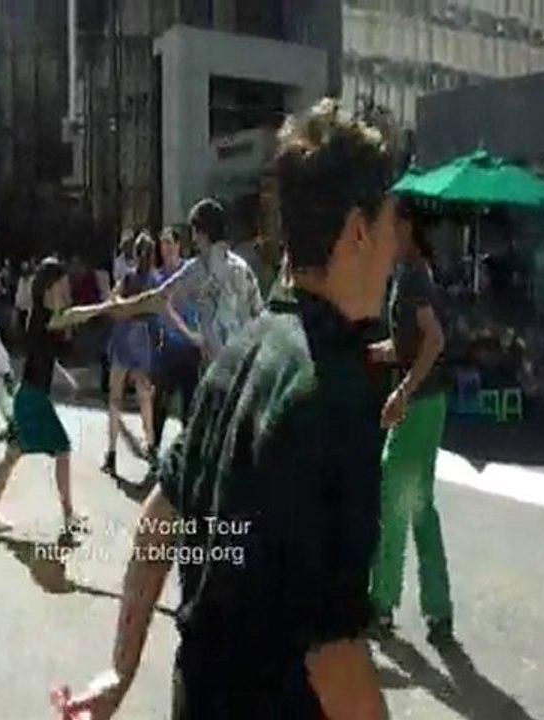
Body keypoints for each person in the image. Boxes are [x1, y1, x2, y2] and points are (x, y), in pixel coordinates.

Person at [56, 98, 395, 719]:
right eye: (393, 223)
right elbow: (333, 650)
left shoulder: (241, 352)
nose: (398, 247)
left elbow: (160, 511)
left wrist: (120, 670)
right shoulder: (336, 390)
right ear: (358, 231)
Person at [367, 202, 453, 645]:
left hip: (419, 404)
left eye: (389, 222)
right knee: (421, 506)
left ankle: (381, 603)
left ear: (405, 226)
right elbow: (411, 341)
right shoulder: (414, 271)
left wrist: (401, 392)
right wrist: (379, 353)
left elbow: (434, 339)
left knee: (393, 500)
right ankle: (439, 610)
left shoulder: (414, 275)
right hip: (430, 401)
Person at [52, 198, 263, 365]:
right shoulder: (242, 268)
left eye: (194, 233)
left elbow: (154, 300)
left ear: (201, 233)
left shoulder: (198, 270)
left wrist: (92, 310)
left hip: (220, 373)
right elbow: (260, 317)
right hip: (246, 370)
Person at [0, 258, 87, 536]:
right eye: (62, 285)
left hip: (29, 395)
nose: (66, 291)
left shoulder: (44, 316)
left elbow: (43, 356)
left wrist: (64, 376)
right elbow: (77, 316)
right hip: (33, 398)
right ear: (50, 287)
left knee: (12, 456)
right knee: (60, 449)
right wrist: (110, 305)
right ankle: (68, 515)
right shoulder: (45, 316)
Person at [102, 233, 159, 476]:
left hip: (124, 336)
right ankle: (152, 446)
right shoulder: (156, 280)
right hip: (144, 338)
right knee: (145, 397)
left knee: (115, 398)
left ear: (134, 254)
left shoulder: (127, 279)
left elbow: (111, 301)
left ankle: (112, 453)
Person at [150, 226, 202, 455]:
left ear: (179, 245)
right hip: (167, 347)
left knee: (190, 402)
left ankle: (188, 451)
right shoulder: (157, 277)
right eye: (163, 243)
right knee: (159, 400)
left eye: (170, 243)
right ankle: (154, 446)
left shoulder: (189, 271)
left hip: (190, 345)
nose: (166, 248)